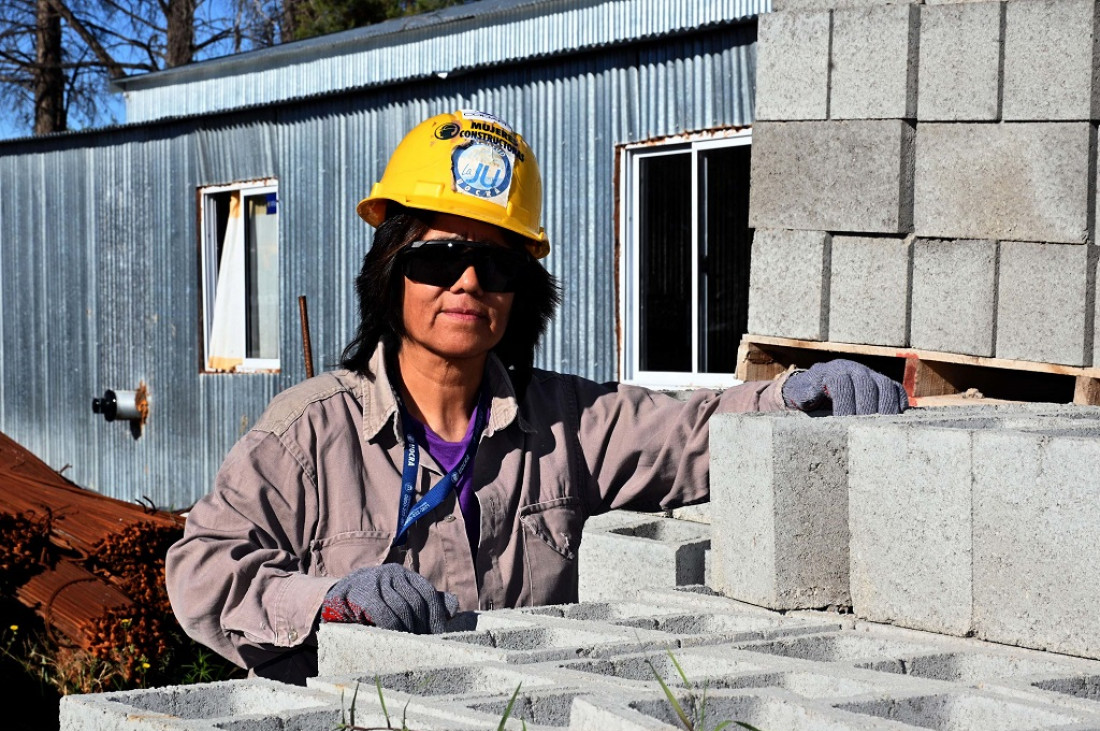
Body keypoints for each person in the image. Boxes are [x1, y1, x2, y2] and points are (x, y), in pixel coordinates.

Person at [165, 109, 908, 685]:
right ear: (391, 272)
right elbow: (201, 567)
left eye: (496, 264)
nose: (467, 282)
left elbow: (689, 431)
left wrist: (795, 396)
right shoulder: (307, 433)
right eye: (438, 257)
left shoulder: (568, 423)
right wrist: (326, 599)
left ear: (523, 293)